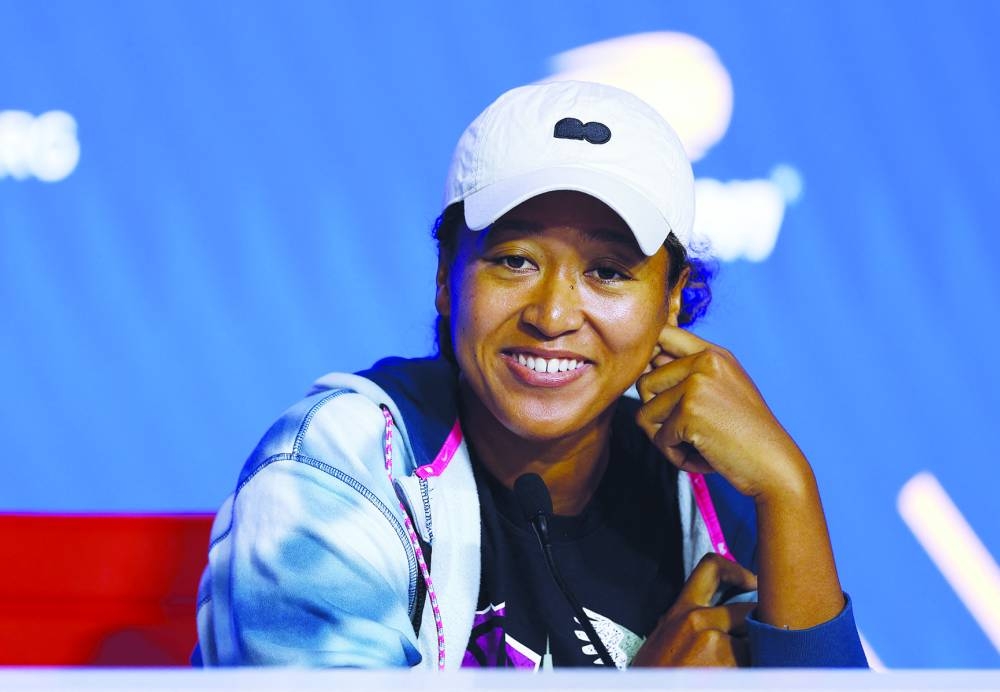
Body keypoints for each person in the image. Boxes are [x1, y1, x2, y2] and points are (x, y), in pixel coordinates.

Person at [194, 81, 867, 669]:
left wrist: (788, 488)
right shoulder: (338, 466)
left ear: (671, 300)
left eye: (608, 271)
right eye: (514, 260)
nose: (551, 314)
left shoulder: (712, 481)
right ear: (445, 277)